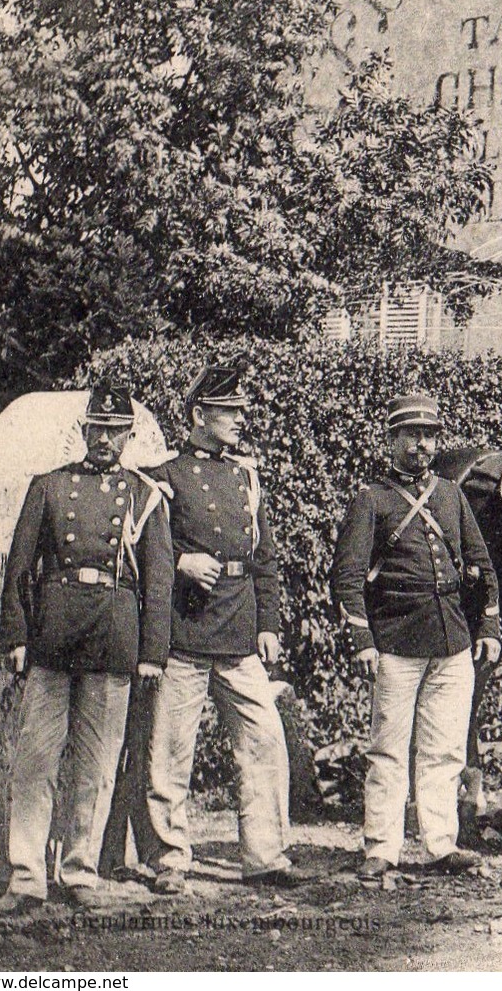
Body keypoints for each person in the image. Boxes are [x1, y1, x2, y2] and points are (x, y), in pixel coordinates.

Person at [0, 384, 172, 915]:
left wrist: (152, 653)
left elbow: (158, 581)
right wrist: (18, 637)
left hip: (114, 635)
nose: (106, 440)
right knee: (36, 760)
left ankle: (79, 871)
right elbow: (19, 570)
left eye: (116, 432)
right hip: (53, 635)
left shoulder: (144, 496)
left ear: (128, 437)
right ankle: (26, 876)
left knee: (96, 764)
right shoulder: (48, 486)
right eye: (98, 430)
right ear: (84, 432)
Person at [145, 364, 305, 894]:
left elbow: (266, 558)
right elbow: (142, 555)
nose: (240, 419)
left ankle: (264, 854)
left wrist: (269, 624)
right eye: (229, 411)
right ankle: (171, 858)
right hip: (184, 636)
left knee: (264, 742)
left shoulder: (246, 476)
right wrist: (182, 562)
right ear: (199, 416)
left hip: (239, 634)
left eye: (241, 410)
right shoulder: (164, 477)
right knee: (171, 752)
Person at [331, 393, 502, 878]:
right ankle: (381, 847)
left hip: (452, 639)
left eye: (428, 436)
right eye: (411, 435)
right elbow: (347, 577)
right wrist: (362, 639)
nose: (421, 445)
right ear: (392, 441)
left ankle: (440, 844)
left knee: (444, 748)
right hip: (396, 639)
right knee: (388, 749)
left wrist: (488, 625)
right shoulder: (372, 499)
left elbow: (482, 565)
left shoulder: (450, 495)